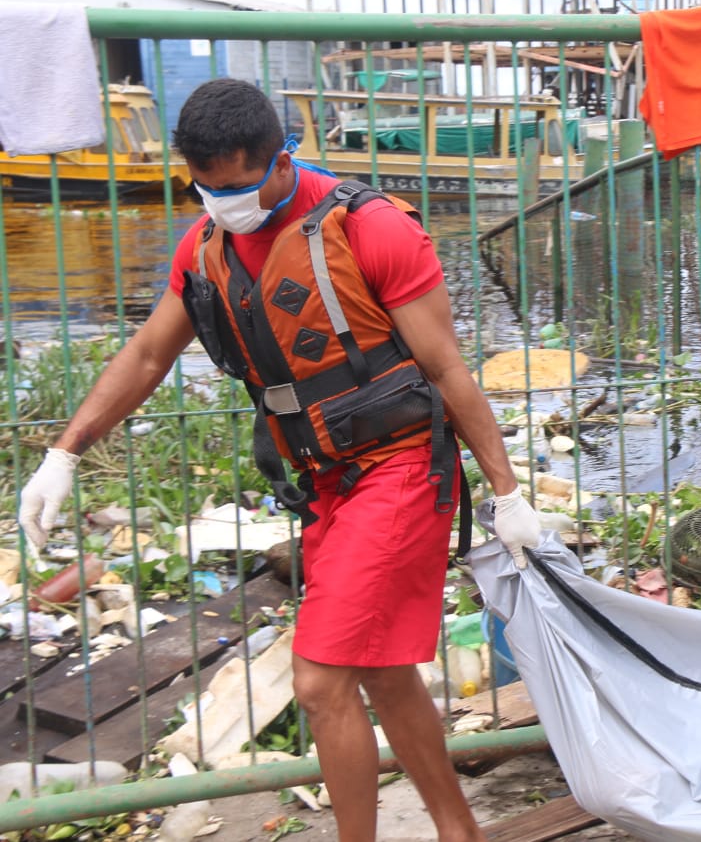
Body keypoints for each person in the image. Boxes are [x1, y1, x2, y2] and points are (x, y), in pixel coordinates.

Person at [18, 78, 543, 842]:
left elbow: (447, 370)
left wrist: (506, 490)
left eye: (236, 185)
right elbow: (146, 353)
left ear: (281, 157)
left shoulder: (370, 229)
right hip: (326, 482)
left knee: (320, 679)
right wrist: (64, 452)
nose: (221, 201)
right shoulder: (205, 248)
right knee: (384, 671)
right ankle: (460, 831)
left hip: (401, 467)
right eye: (204, 187)